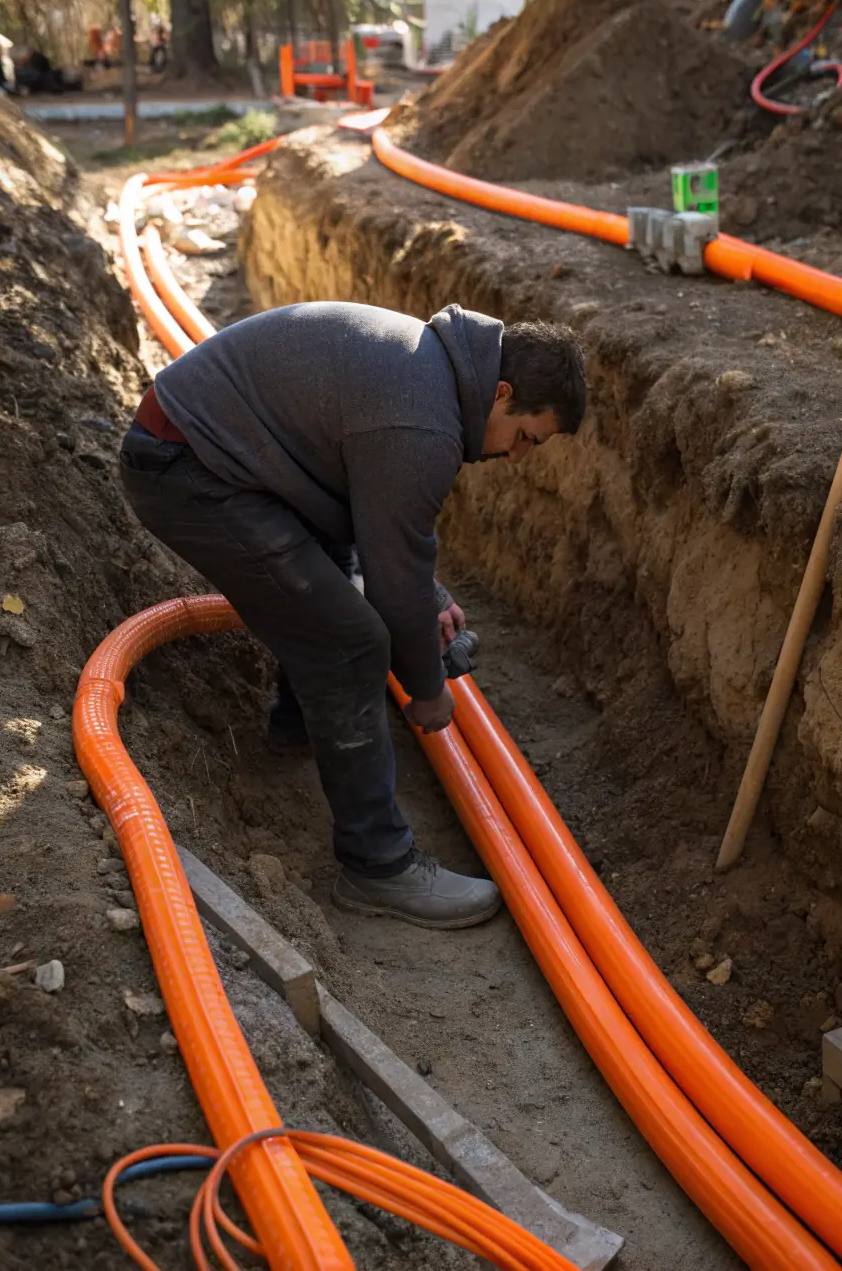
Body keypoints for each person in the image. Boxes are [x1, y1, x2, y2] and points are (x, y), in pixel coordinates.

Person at [119, 302, 585, 929]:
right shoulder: (424, 424)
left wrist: (431, 599)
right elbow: (394, 586)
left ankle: (302, 724)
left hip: (217, 450)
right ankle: (377, 866)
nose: (520, 456)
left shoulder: (431, 369)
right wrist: (425, 692)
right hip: (189, 471)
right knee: (352, 644)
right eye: (526, 436)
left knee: (332, 576)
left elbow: (388, 531)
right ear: (501, 394)